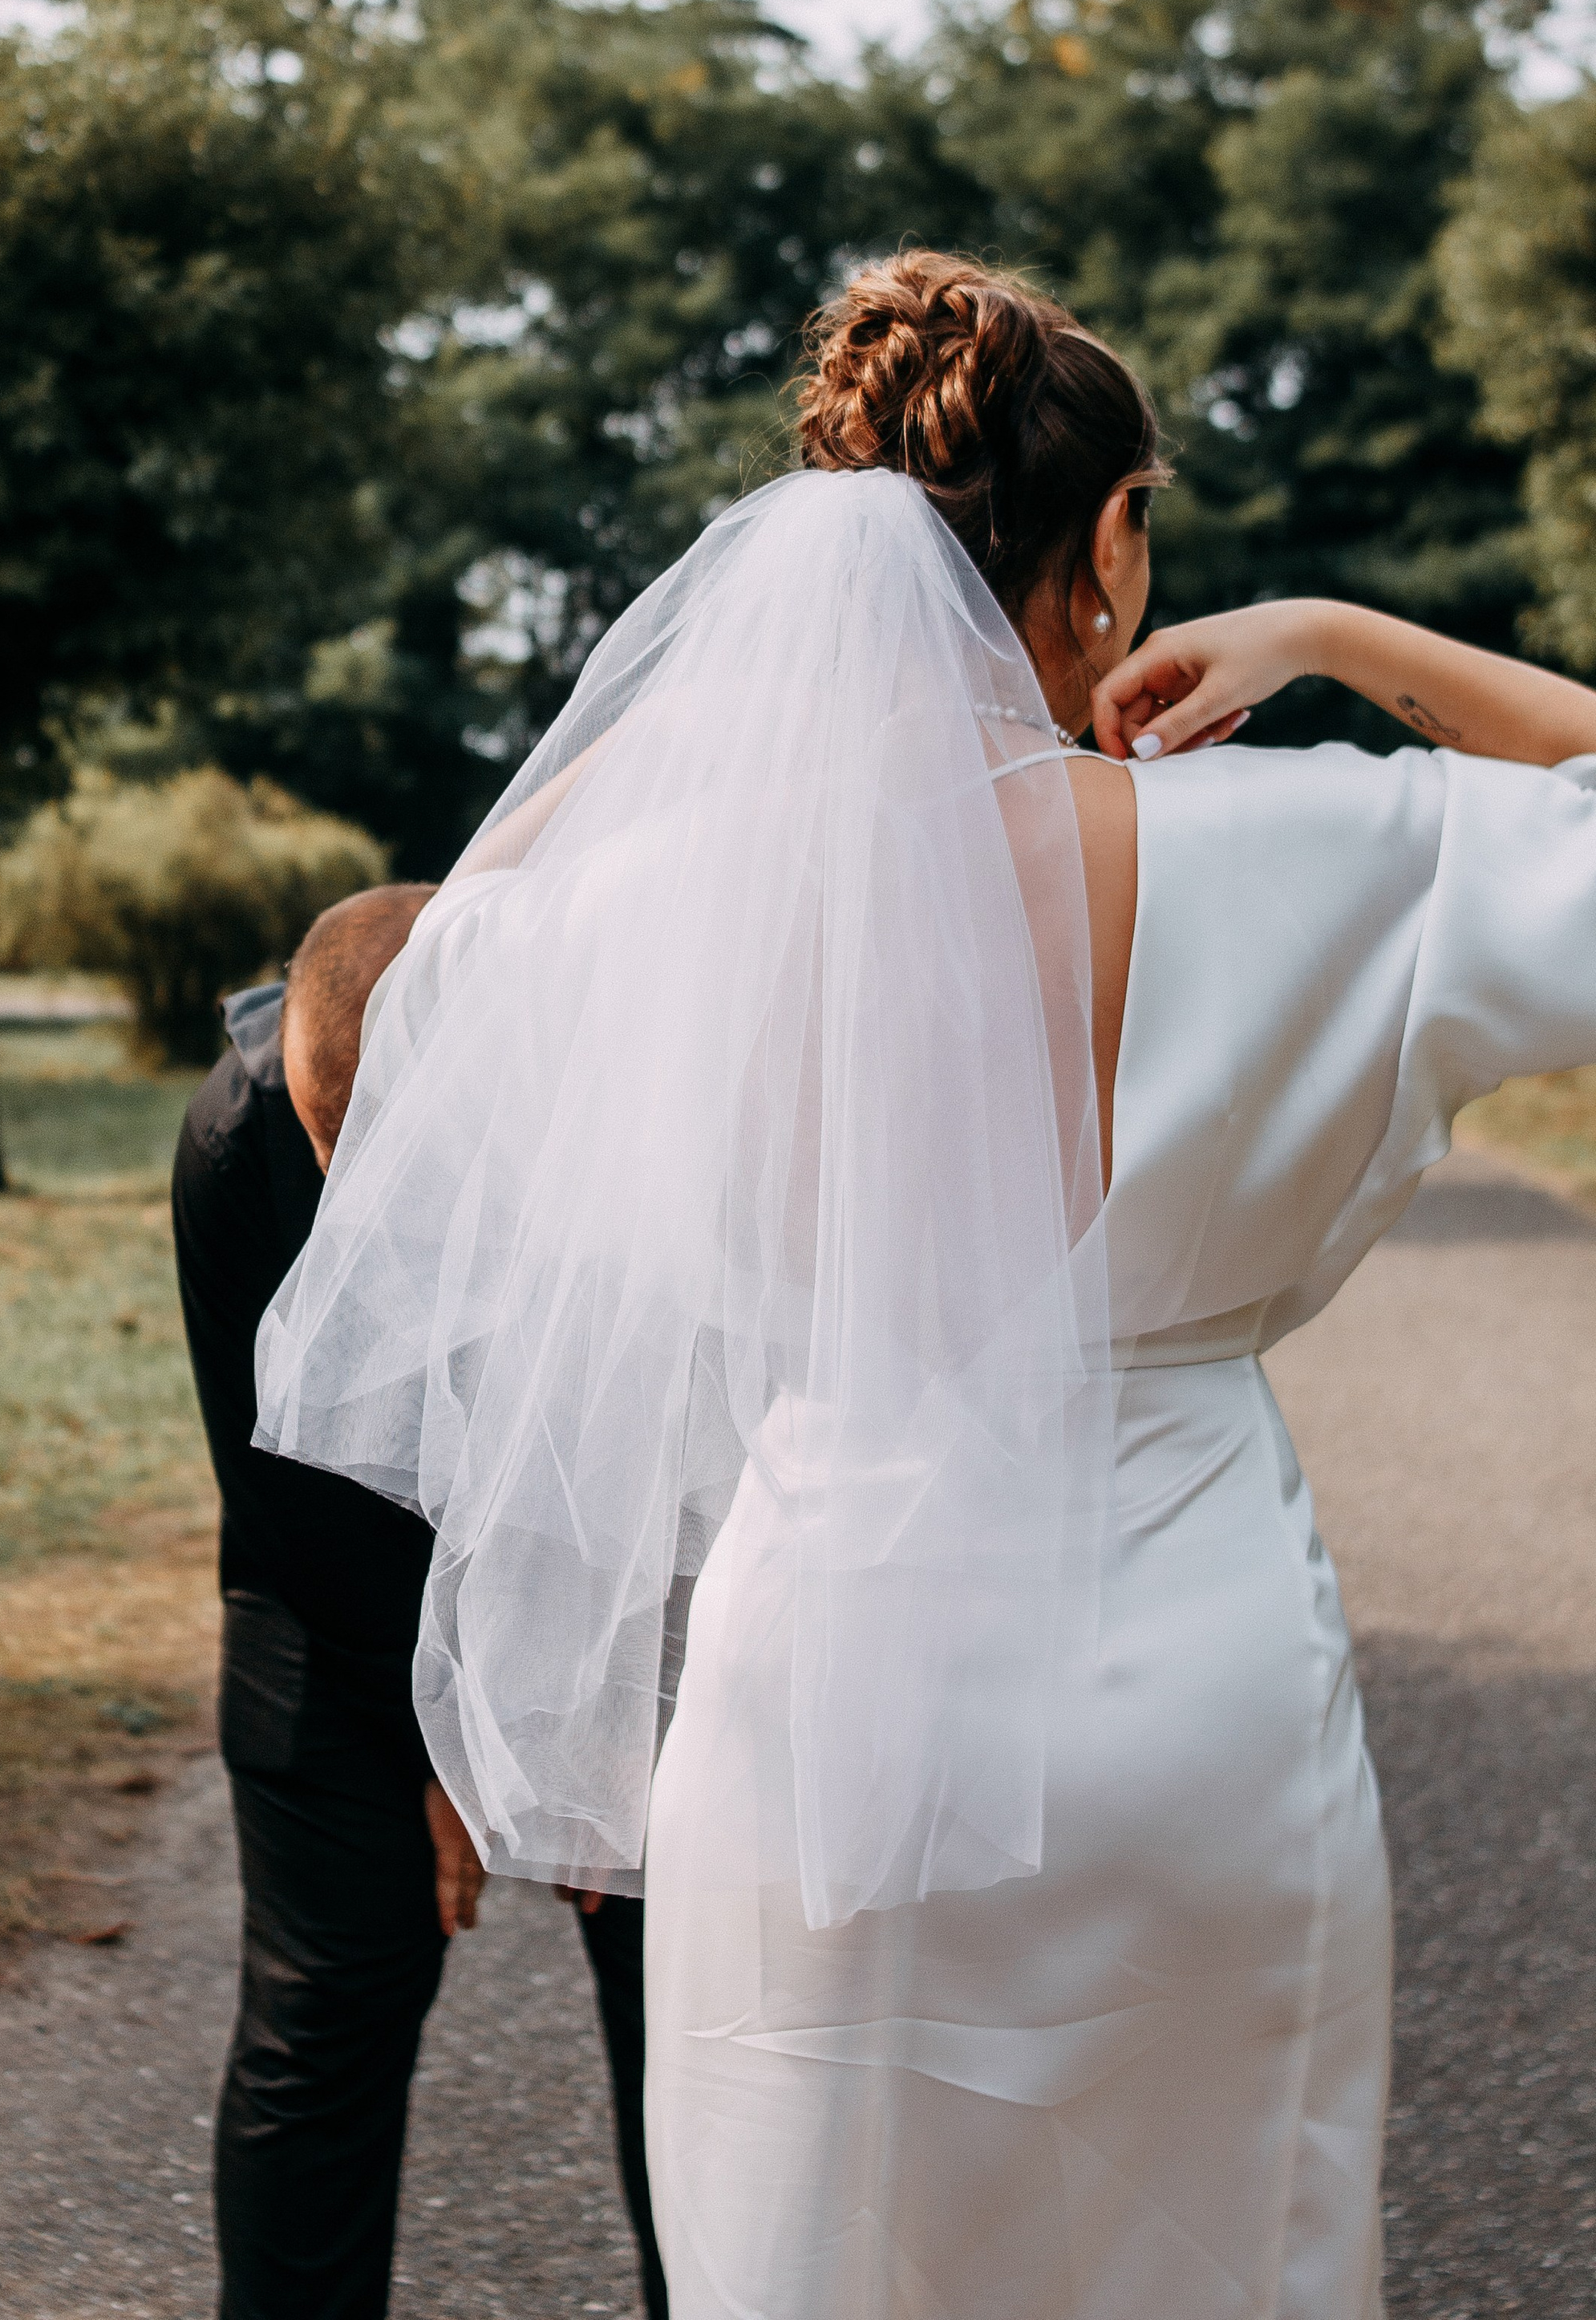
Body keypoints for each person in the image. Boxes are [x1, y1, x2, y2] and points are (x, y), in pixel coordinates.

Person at [252, 249, 1596, 2320]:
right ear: (1112, 543)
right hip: (1196, 1701)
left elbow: (373, 1011)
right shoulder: (1314, 847)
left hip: (823, 1710)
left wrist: (706, 723)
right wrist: (1329, 635)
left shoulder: (670, 908)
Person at [176, 881, 666, 2320]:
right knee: (323, 2013)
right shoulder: (236, 1139)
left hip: (614, 1601)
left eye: (382, 1150)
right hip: (336, 1611)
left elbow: (658, 1439)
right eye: (325, 1134)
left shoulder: (633, 1113)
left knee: (690, 2004)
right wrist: (444, 1728)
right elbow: (286, 1488)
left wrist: (548, 1705)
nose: (347, 1190)